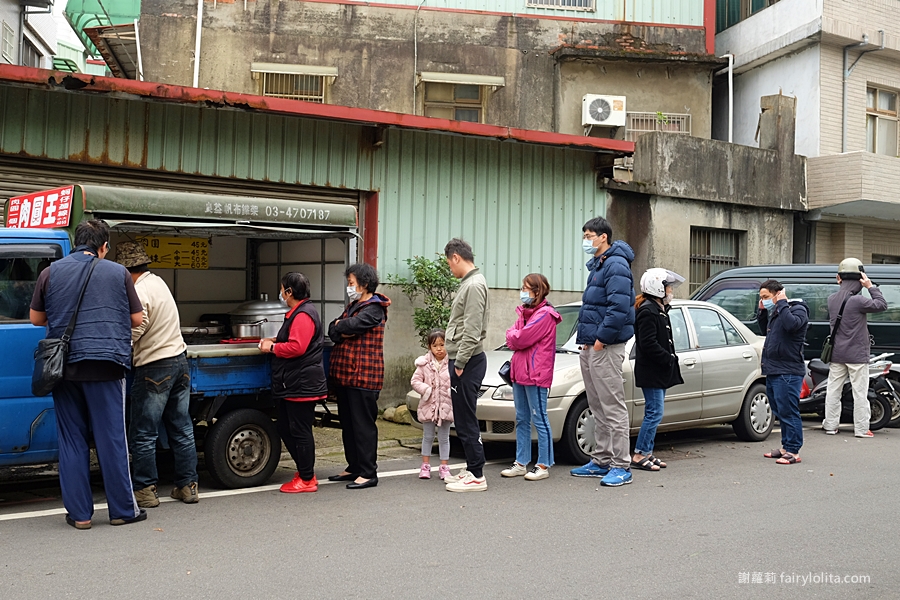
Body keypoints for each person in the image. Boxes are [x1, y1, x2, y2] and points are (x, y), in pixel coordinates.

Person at [29, 220, 146, 529]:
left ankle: (80, 515)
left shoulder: (49, 273)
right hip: (107, 366)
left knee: (71, 439)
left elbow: (35, 318)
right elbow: (136, 318)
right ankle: (122, 510)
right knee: (111, 439)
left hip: (64, 367)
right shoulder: (118, 272)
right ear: (103, 246)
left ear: (75, 242)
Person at [116, 242, 199, 508]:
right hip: (179, 363)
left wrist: (116, 342)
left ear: (127, 270)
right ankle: (188, 486)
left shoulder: (138, 290)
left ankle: (145, 490)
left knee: (143, 432)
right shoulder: (159, 282)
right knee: (182, 428)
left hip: (154, 367)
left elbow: (136, 329)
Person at [570, 216, 636, 487]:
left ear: (603, 237)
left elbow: (619, 308)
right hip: (591, 344)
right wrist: (587, 341)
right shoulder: (599, 265)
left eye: (589, 235)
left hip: (606, 346)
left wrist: (600, 340)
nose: (586, 241)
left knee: (612, 406)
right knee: (597, 405)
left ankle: (621, 465)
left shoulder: (616, 264)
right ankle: (601, 460)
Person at [259, 272, 328, 493]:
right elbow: (294, 340)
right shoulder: (299, 312)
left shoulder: (304, 314)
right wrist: (277, 340)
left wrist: (272, 347)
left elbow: (297, 347)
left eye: (282, 289)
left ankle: (307, 478)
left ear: (289, 292)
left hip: (302, 383)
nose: (281, 293)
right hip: (295, 382)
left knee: (299, 430)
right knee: (285, 427)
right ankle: (305, 471)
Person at [327, 263, 391, 489]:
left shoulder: (374, 308)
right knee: (348, 425)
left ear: (364, 285)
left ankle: (368, 472)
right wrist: (340, 328)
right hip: (346, 377)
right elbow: (332, 329)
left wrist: (341, 327)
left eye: (351, 283)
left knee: (363, 426)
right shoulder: (354, 305)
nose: (349, 287)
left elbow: (350, 326)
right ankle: (353, 466)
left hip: (364, 377)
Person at [501, 274, 561, 481]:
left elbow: (520, 338)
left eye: (526, 288)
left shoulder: (545, 315)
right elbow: (513, 336)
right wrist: (514, 335)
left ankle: (543, 465)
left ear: (537, 291)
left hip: (535, 374)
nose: (522, 292)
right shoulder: (525, 313)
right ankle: (521, 462)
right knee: (522, 418)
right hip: (520, 373)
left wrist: (514, 335)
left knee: (539, 418)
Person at [442, 238, 491, 492]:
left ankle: (477, 475)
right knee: (463, 417)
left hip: (468, 360)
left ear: (456, 258)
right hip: (466, 359)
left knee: (466, 418)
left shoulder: (473, 285)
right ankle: (473, 467)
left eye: (450, 264)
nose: (450, 269)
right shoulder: (472, 282)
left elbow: (471, 329)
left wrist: (459, 362)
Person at [822, 258, 887, 438]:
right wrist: (870, 286)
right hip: (857, 355)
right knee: (860, 392)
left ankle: (830, 426)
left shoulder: (832, 299)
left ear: (838, 278)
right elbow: (881, 305)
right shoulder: (859, 301)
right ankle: (861, 429)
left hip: (837, 354)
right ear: (860, 279)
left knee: (833, 391)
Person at [631, 268, 685, 472]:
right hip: (651, 371)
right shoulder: (648, 311)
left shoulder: (658, 309)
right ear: (657, 288)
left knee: (655, 412)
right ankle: (639, 454)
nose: (670, 291)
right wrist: (668, 358)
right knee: (654, 413)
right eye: (668, 287)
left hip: (658, 371)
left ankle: (647, 452)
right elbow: (648, 343)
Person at [756, 279, 809, 465]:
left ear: (778, 294)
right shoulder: (777, 312)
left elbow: (792, 326)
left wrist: (782, 303)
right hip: (773, 368)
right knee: (779, 409)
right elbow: (766, 331)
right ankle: (786, 447)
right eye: (761, 297)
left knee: (788, 410)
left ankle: (794, 451)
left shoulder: (797, 309)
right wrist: (762, 311)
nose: (764, 300)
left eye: (766, 297)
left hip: (788, 370)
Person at [410, 329, 453, 481]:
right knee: (428, 436)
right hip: (428, 405)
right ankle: (425, 466)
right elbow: (415, 381)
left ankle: (444, 467)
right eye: (435, 345)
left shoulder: (452, 363)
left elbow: (458, 382)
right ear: (430, 347)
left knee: (444, 437)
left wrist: (450, 391)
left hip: (446, 406)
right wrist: (427, 390)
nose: (439, 348)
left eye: (442, 344)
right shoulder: (424, 364)